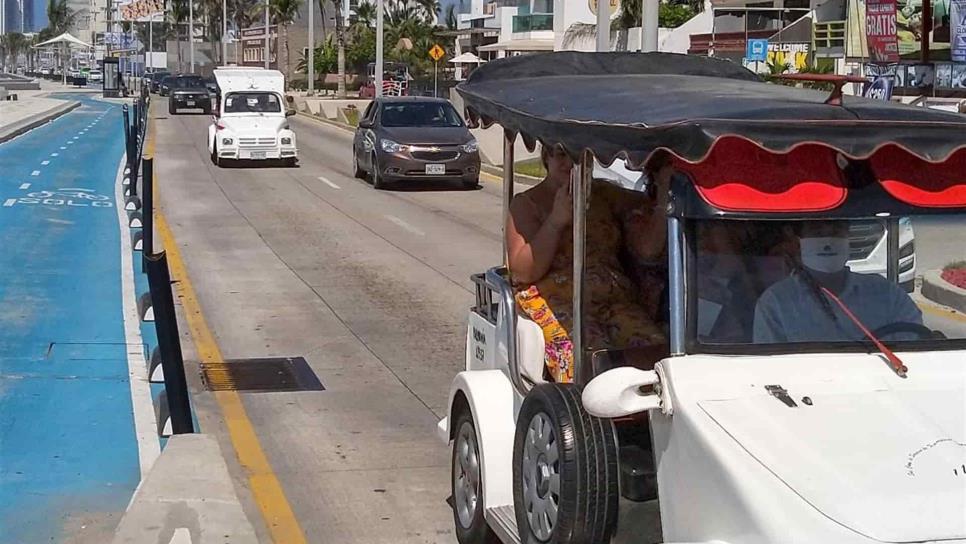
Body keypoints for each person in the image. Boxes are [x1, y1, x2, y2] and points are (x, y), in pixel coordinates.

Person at [506, 145, 668, 383]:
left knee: (657, 355)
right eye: (562, 154)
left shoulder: (606, 196)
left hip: (612, 297)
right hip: (554, 298)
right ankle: (587, 416)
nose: (570, 163)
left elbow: (647, 246)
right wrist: (555, 222)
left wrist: (663, 193)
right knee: (587, 362)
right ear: (546, 157)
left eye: (580, 156)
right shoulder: (527, 203)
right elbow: (522, 271)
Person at [753, 220, 923, 343]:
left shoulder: (887, 294)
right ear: (799, 242)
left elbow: (917, 346)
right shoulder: (775, 302)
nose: (828, 241)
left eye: (836, 231)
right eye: (818, 232)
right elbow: (769, 367)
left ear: (847, 237)